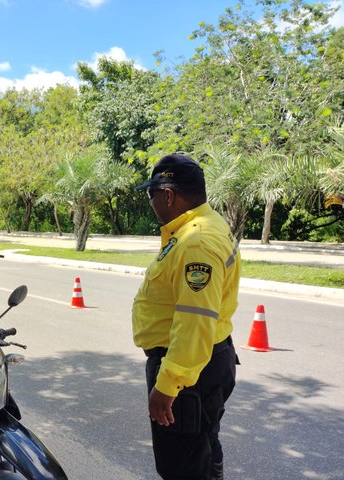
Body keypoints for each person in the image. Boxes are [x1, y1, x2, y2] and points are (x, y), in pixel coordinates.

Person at [132, 153, 240, 480]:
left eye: (152, 195)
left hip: (188, 372)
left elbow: (195, 321)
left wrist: (168, 385)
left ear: (168, 195)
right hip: (202, 364)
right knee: (203, 449)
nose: (151, 203)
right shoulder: (204, 226)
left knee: (182, 467)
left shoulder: (196, 242)